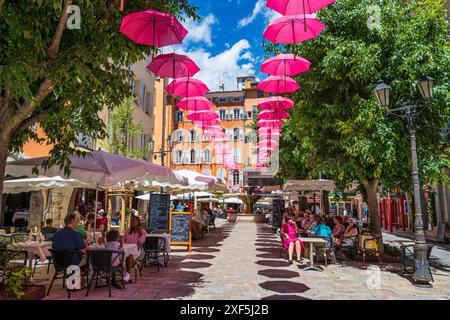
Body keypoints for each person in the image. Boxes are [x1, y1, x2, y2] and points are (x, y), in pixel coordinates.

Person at [123, 216, 147, 282]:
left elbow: (140, 244)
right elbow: (123, 241)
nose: (132, 222)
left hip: (136, 250)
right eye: (131, 221)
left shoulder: (142, 232)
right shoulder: (128, 231)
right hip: (126, 249)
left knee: (130, 254)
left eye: (133, 221)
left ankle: (128, 274)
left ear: (138, 222)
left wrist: (140, 233)